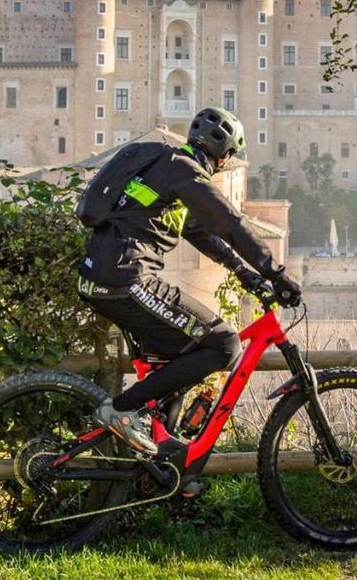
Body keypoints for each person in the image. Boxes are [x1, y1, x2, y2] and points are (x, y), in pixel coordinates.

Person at [77, 107, 304, 457]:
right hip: (126, 280)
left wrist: (244, 272)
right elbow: (229, 222)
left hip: (103, 276)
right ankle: (120, 409)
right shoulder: (185, 171)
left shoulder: (164, 169)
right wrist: (277, 273)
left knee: (184, 355)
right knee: (225, 344)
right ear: (225, 157)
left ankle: (163, 456)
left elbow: (197, 230)